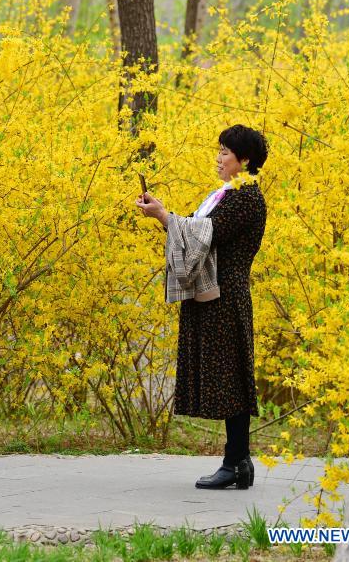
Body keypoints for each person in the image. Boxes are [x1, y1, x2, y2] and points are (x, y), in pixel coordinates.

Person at [135, 124, 268, 490]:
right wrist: (164, 214)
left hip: (227, 296)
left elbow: (206, 235)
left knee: (232, 378)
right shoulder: (224, 196)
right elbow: (198, 232)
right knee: (229, 375)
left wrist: (164, 216)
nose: (219, 158)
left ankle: (236, 461)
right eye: (220, 150)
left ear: (245, 160)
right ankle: (239, 462)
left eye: (225, 152)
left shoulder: (246, 197)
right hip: (214, 294)